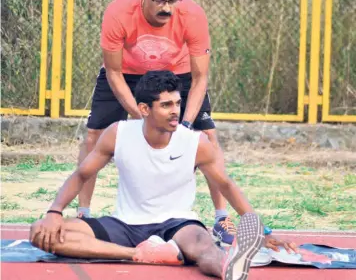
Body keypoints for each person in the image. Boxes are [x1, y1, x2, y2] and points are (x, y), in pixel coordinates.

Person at [30, 71, 297, 280]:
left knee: (206, 251)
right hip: (126, 224)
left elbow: (226, 184)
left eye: (178, 103)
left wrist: (260, 230)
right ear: (144, 109)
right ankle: (141, 254)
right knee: (40, 233)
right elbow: (81, 174)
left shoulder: (196, 142)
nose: (175, 111)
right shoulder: (118, 133)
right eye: (166, 105)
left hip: (179, 224)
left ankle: (230, 270)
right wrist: (54, 212)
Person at [77, 0, 236, 245]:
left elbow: (200, 78)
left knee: (208, 136)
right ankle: (83, 214)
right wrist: (143, 117)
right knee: (93, 136)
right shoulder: (118, 12)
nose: (166, 8)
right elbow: (113, 72)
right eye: (159, 0)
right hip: (126, 72)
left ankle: (222, 217)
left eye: (173, 1)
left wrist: (184, 125)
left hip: (179, 71)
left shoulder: (192, 15)